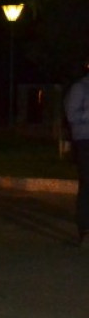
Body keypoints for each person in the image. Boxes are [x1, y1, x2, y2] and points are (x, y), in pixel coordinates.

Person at [65, 59, 89, 246]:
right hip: (85, 142)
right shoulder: (79, 88)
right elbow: (72, 116)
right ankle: (85, 229)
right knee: (87, 184)